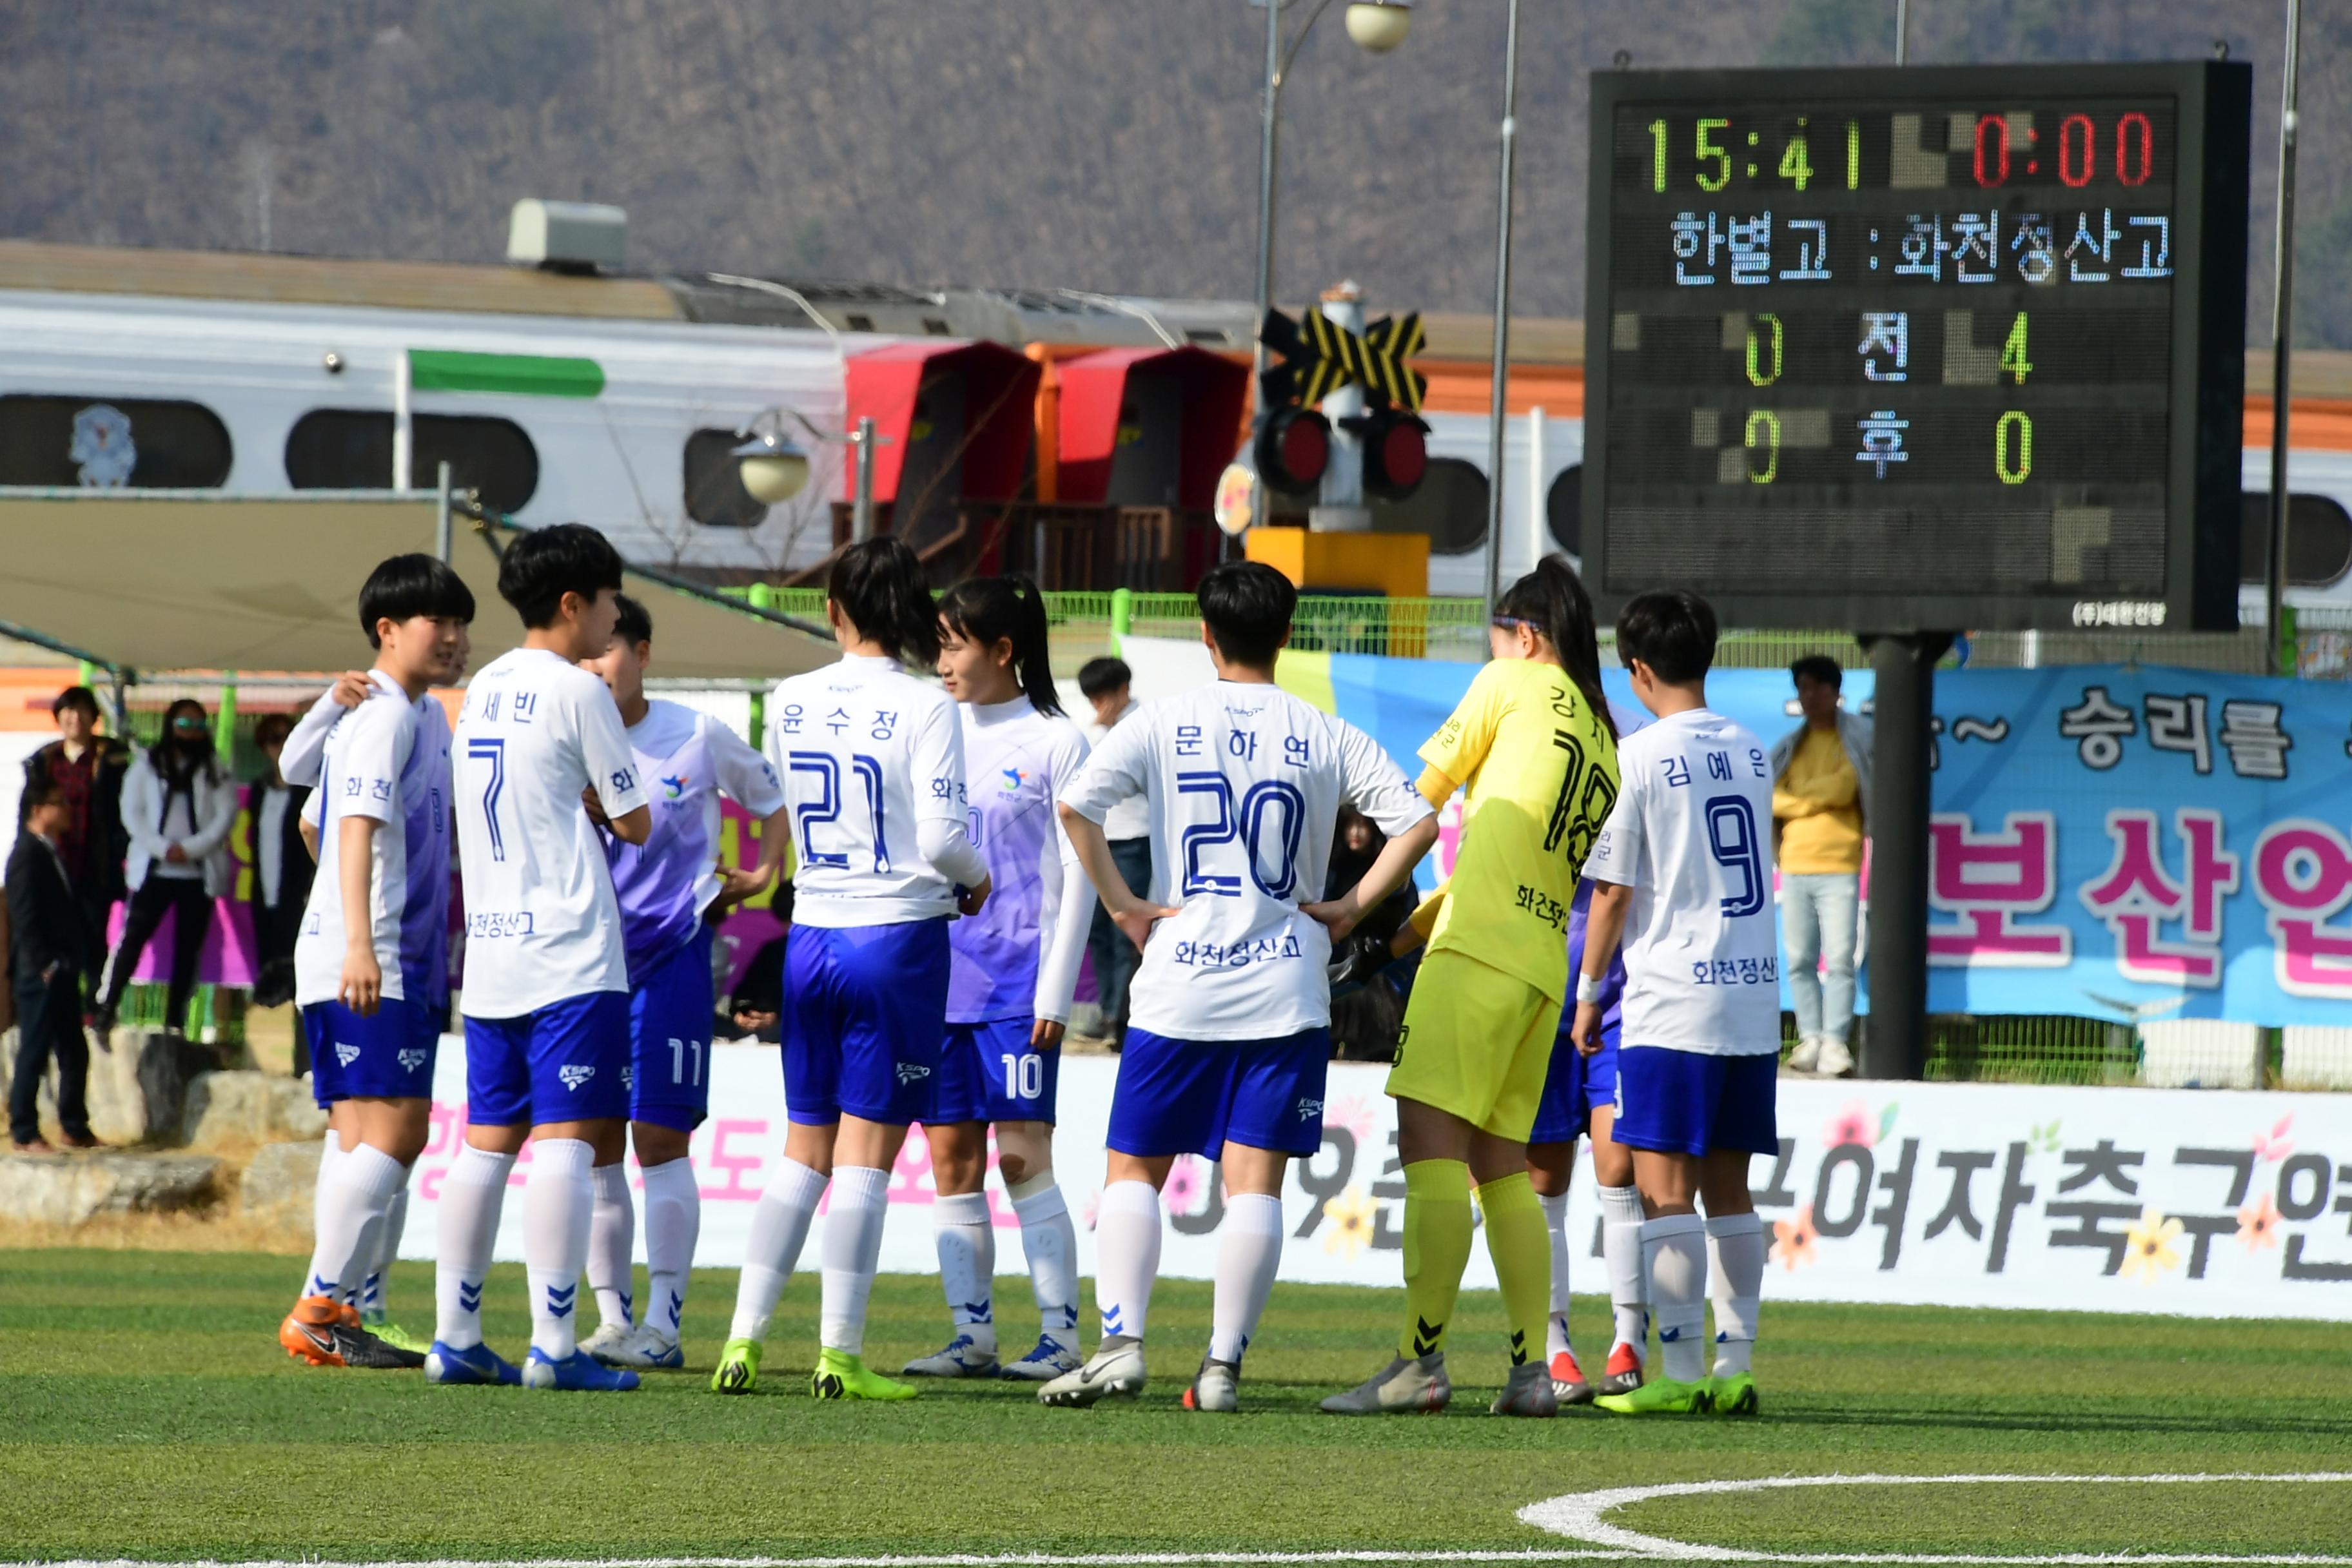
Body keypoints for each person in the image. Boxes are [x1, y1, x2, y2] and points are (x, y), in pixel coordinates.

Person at [1048, 560, 1435, 1414]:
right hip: (1284, 988)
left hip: (1179, 982)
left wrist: (1123, 906)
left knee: (1132, 1171)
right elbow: (1418, 821)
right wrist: (1350, 908)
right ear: (1288, 635)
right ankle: (1222, 1368)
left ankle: (1121, 1344)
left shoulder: (1168, 719)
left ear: (1206, 634)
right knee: (1255, 1183)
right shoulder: (1323, 731)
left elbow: (1075, 808)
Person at [1324, 556, 1619, 1420]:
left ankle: (1420, 1364)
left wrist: (1350, 906)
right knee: (1500, 1167)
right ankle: (1533, 1373)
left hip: (1479, 957)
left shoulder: (1510, 682)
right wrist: (1392, 944)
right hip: (1538, 969)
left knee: (1429, 1150)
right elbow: (1484, 865)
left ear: (1524, 637)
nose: (1486, 654)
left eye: (1494, 639)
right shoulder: (1602, 736)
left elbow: (1410, 810)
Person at [712, 536, 985, 1404]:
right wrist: (978, 879)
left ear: (833, 610)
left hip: (812, 936)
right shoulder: (926, 705)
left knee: (802, 1151)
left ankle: (742, 1344)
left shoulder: (788, 700)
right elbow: (942, 840)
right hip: (895, 939)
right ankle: (840, 1354)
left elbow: (786, 809)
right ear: (915, 610)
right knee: (865, 1158)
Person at [433, 524, 653, 1393]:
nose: (613, 620)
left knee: (487, 1144)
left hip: (489, 953)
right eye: (606, 603)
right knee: (567, 1143)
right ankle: (556, 1348)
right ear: (573, 604)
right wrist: (599, 800)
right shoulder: (579, 691)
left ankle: (457, 1334)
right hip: (568, 950)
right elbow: (636, 821)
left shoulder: (479, 688)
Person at [1573, 587, 1777, 1418]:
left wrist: (1589, 995)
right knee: (1732, 1191)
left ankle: (1682, 1371)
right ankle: (1736, 1368)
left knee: (1663, 1192)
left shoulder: (1642, 755)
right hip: (1752, 999)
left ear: (1638, 669)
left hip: (1673, 1001)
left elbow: (1615, 892)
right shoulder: (1755, 749)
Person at [575, 593, 790, 1371]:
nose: (598, 668)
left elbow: (769, 797)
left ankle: (665, 1320)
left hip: (670, 960)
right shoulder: (567, 738)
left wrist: (760, 875)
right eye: (586, 655)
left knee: (658, 1139)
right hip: (587, 966)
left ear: (643, 652)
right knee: (594, 1140)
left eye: (610, 652)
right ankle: (610, 1319)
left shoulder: (695, 734)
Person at [276, 554, 473, 1373]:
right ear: (387, 631)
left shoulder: (424, 716)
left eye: (463, 623)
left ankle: (340, 1306)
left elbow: (314, 823)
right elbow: (347, 827)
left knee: (359, 1135)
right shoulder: (386, 715)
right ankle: (320, 1305)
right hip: (373, 955)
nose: (457, 638)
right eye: (439, 622)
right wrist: (359, 938)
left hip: (382, 950)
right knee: (399, 1129)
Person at [903, 576, 1093, 1384]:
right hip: (935, 984)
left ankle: (1060, 1335)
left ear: (1004, 650)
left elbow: (1081, 875)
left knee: (1022, 1158)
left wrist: (1056, 990)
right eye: (938, 644)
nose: (940, 660)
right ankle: (970, 1333)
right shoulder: (927, 726)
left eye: (954, 643)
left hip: (1019, 989)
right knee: (951, 1162)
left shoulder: (1058, 739)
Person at [96, 699, 235, 1041]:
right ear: (170, 725)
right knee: (133, 939)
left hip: (197, 872)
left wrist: (189, 849)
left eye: (198, 726)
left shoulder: (215, 768)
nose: (190, 732)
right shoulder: (147, 764)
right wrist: (161, 847)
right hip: (154, 868)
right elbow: (132, 812)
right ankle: (107, 1006)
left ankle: (175, 1021)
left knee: (188, 950)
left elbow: (224, 816)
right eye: (184, 725)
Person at [1770, 655, 1872, 1079]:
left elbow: (1847, 784)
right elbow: (1771, 798)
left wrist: (1798, 798)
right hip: (1793, 865)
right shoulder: (1791, 746)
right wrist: (1814, 798)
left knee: (1841, 958)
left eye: (1817, 688)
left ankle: (1835, 1042)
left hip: (1840, 865)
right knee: (1798, 959)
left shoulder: (1859, 737)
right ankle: (1810, 1037)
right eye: (1803, 688)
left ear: (1835, 692)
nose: (1809, 696)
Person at [8, 778, 99, 1153]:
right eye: (58, 803)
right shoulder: (26, 855)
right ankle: (25, 1129)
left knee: (74, 1050)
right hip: (39, 974)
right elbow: (24, 913)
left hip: (60, 969)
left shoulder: (50, 853)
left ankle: (74, 1126)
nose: (66, 810)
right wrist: (43, 962)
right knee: (34, 1050)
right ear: (38, 810)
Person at [21, 685, 132, 979]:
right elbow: (28, 813)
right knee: (55, 934)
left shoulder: (112, 758)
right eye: (69, 710)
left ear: (94, 717)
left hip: (95, 862)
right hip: (56, 862)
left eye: (83, 710)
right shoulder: (44, 761)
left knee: (94, 937)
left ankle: (93, 1008)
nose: (76, 718)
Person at [1073, 656, 1148, 1045]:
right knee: (1097, 930)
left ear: (1124, 690)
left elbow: (1116, 771)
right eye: (1092, 698)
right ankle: (1106, 1012)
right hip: (1097, 841)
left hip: (1135, 840)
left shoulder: (1142, 724)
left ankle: (1121, 1019)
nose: (1098, 705)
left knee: (1125, 931)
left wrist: (1101, 730)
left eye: (1104, 696)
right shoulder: (1094, 730)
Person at [248, 713, 316, 1014]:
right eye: (273, 740)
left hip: (298, 888)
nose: (281, 746)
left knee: (298, 957)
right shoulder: (259, 789)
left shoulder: (308, 788)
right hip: (264, 885)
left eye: (287, 737)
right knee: (269, 957)